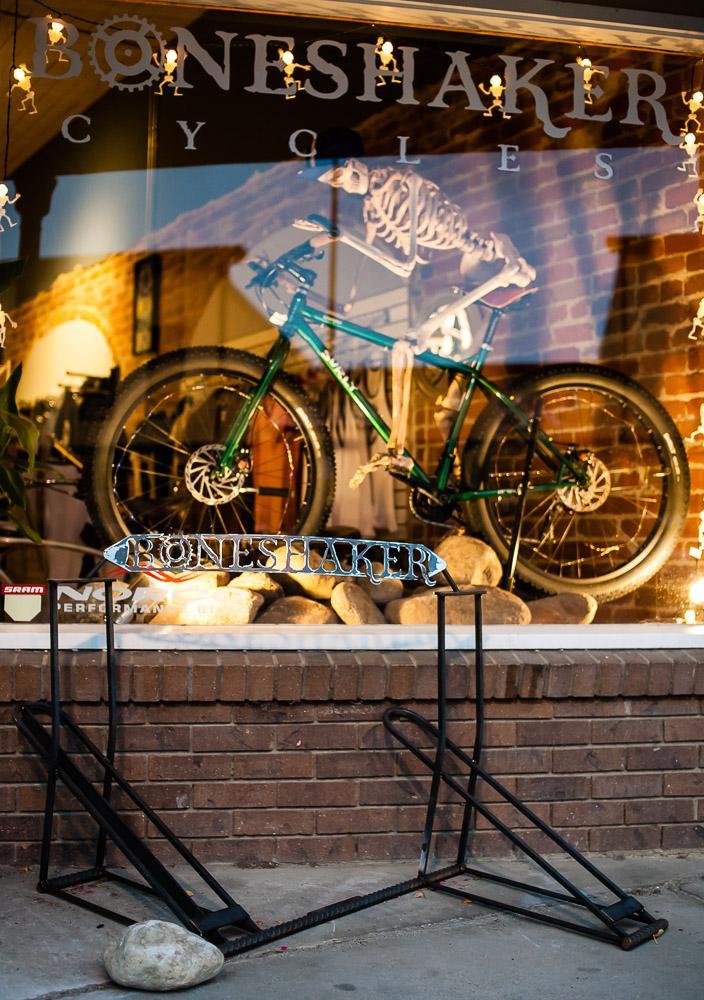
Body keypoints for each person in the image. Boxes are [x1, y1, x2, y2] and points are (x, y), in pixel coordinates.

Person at [304, 128, 535, 485]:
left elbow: (405, 264)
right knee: (444, 407)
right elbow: (371, 260)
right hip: (471, 263)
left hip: (490, 263)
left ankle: (397, 450)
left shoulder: (401, 186)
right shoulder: (372, 206)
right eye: (330, 182)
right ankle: (443, 469)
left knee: (405, 346)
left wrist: (343, 237)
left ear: (350, 166)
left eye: (335, 177)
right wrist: (345, 301)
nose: (337, 186)